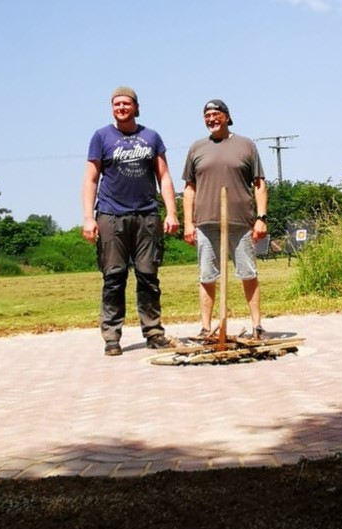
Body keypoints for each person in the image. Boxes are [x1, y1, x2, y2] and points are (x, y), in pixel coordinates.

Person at [82, 86, 180, 356]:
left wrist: (171, 212)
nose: (121, 108)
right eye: (116, 104)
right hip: (111, 216)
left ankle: (154, 332)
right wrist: (88, 217)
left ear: (136, 107)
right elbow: (91, 179)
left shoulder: (151, 137)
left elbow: (164, 176)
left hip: (147, 215)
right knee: (114, 277)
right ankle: (112, 337)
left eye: (126, 103)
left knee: (148, 277)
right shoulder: (101, 137)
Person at [181, 99, 269, 340]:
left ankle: (257, 327)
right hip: (206, 222)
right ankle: (206, 329)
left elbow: (259, 184)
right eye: (207, 116)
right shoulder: (197, 148)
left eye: (216, 114)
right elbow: (189, 188)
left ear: (227, 117)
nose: (212, 119)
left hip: (240, 222)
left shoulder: (246, 145)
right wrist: (188, 223)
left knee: (248, 273)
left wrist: (261, 218)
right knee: (206, 276)